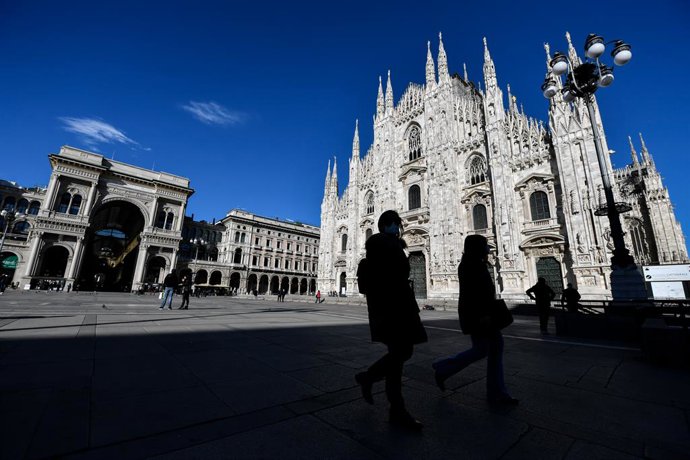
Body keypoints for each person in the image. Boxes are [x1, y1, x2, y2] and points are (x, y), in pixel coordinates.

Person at [354, 210, 427, 430]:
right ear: (387, 225)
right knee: (401, 354)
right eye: (396, 224)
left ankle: (393, 404)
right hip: (395, 309)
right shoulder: (389, 245)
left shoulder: (377, 246)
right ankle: (375, 384)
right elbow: (399, 274)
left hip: (387, 309)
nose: (398, 227)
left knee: (398, 356)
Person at [432, 235, 518, 405]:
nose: (488, 248)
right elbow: (474, 294)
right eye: (485, 245)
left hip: (479, 315)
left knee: (483, 349)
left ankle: (443, 368)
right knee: (492, 349)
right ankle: (497, 394)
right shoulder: (472, 265)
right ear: (477, 247)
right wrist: (484, 315)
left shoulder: (471, 263)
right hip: (482, 316)